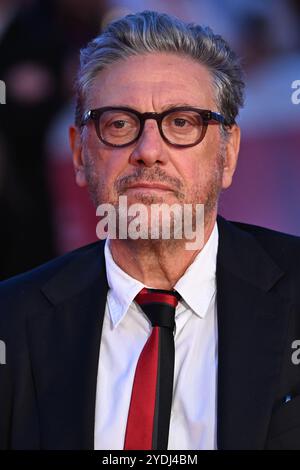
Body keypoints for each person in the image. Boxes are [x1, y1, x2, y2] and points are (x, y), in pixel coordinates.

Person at [0, 10, 300, 451]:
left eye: (182, 122)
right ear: (79, 154)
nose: (149, 151)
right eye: (119, 123)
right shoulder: (10, 320)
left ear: (228, 153)